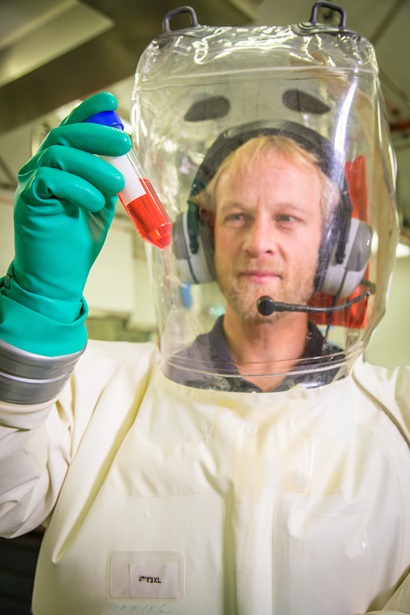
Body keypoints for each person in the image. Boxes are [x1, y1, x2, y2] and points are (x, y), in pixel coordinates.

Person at [0, 92, 409, 615]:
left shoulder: (398, 416)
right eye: (237, 216)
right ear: (201, 239)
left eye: (287, 218)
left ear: (335, 250)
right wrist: (36, 306)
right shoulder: (95, 393)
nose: (259, 241)